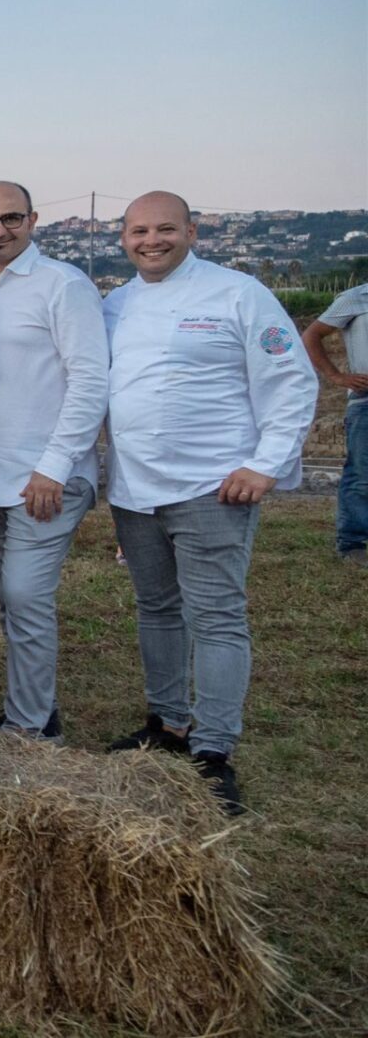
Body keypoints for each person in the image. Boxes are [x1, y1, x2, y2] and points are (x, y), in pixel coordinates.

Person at [102, 191, 318, 813]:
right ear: (124, 238)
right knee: (156, 608)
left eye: (165, 229)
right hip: (135, 489)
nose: (152, 240)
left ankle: (214, 751)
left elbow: (290, 378)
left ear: (192, 232)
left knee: (218, 616)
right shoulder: (116, 305)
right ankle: (167, 724)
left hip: (213, 486)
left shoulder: (238, 293)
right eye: (139, 230)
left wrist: (265, 464)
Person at [0, 181, 108, 741]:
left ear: (34, 220)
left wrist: (54, 467)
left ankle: (30, 726)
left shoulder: (63, 286)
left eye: (11, 218)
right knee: (11, 601)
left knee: (24, 596)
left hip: (43, 480)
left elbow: (90, 380)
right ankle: (33, 705)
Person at [302, 280, 368, 567]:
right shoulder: (357, 298)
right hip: (366, 402)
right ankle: (352, 544)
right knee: (362, 476)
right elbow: (312, 336)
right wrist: (337, 376)